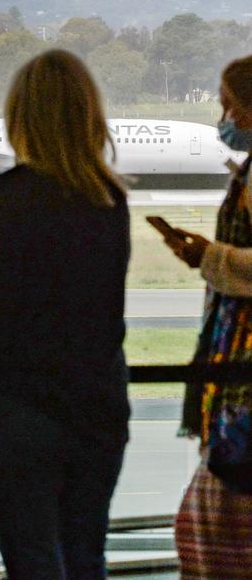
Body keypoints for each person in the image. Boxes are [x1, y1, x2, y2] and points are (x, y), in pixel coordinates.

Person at [0, 48, 130, 580]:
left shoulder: (6, 199)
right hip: (98, 409)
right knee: (86, 557)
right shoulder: (108, 200)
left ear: (20, 116)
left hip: (22, 414)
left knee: (32, 563)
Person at [162, 55, 252, 578]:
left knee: (211, 535)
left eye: (229, 106)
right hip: (233, 365)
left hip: (243, 375)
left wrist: (208, 257)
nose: (224, 119)